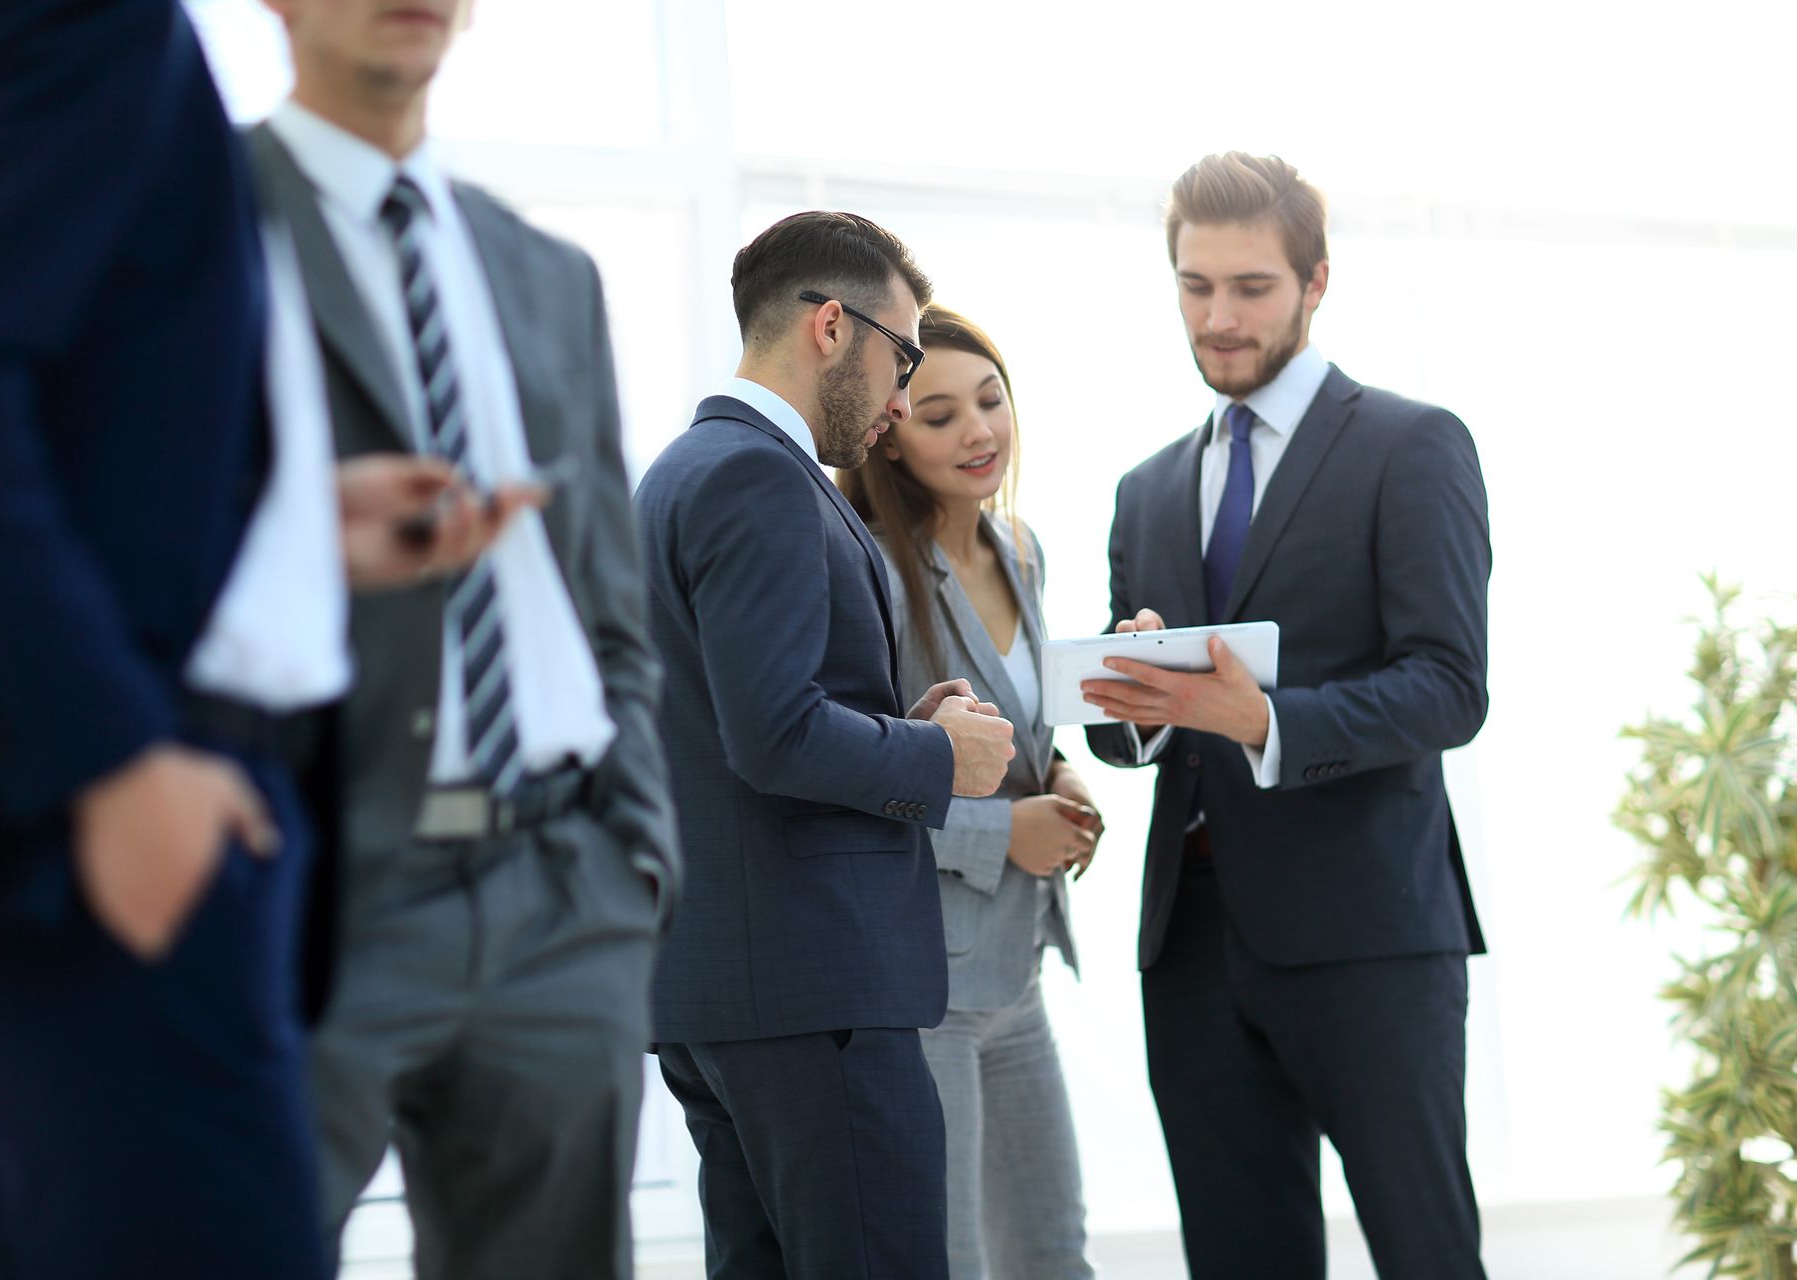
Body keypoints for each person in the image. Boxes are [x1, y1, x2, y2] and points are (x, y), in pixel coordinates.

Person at [0, 2, 508, 1276]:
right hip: (118, 821)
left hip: (164, 813)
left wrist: (294, 526)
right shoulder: (88, 19)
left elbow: (73, 423)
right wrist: (107, 761)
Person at [247, 2, 678, 1277]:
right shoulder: (180, 220)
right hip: (304, 884)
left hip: (560, 885)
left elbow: (606, 594)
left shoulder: (548, 273)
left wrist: (632, 852)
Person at [1081, 151, 1491, 1279]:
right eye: (1194, 285)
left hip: (1368, 934)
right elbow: (1129, 732)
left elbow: (1451, 684)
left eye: (1250, 286)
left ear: (1316, 282)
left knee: (1425, 1252)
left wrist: (1264, 719)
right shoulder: (1147, 487)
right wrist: (1136, 702)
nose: (1218, 316)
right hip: (1195, 944)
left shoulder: (1411, 446)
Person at [635, 211, 1017, 1279]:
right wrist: (944, 762)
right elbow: (776, 733)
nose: (901, 398)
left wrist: (909, 724)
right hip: (816, 997)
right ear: (832, 327)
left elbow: (733, 721)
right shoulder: (760, 475)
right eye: (903, 357)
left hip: (723, 992)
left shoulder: (677, 471)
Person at [837, 306, 1099, 1280]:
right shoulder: (867, 566)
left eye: (990, 401)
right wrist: (1003, 830)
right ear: (890, 432)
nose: (979, 430)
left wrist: (1059, 772)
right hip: (921, 985)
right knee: (943, 1260)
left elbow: (1020, 730)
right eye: (940, 414)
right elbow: (857, 775)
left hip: (1017, 972)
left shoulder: (1020, 550)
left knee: (1053, 1252)